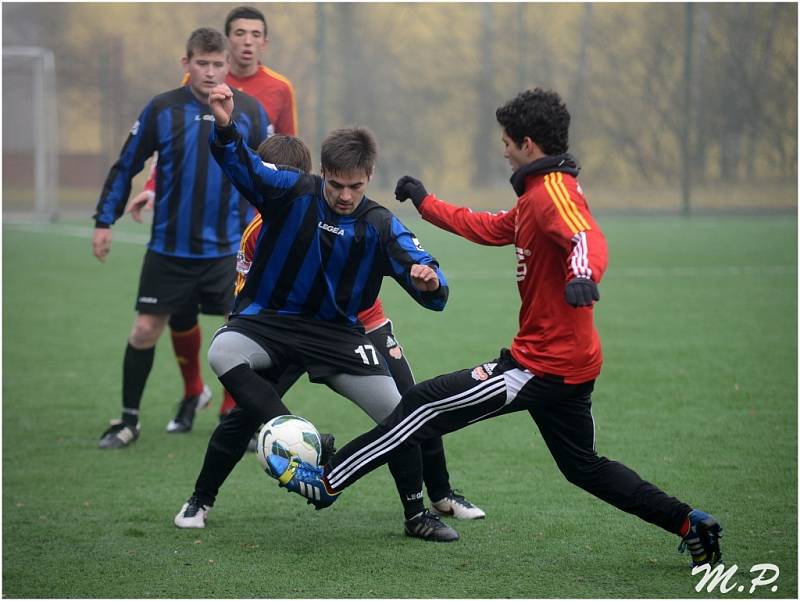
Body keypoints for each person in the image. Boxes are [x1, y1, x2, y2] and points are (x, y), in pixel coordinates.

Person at [267, 88, 724, 568]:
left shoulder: (553, 194)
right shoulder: (535, 195)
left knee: (421, 403)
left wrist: (583, 274)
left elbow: (585, 236)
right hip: (571, 366)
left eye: (506, 141)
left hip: (539, 366)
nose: (501, 149)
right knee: (584, 467)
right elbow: (488, 227)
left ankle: (328, 480)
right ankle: (690, 523)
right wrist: (426, 203)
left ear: (527, 144)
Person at [178, 82, 471, 542]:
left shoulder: (379, 224)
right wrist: (224, 124)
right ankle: (296, 435)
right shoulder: (293, 190)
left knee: (403, 416)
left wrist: (429, 279)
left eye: (355, 186)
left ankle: (418, 515)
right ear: (324, 173)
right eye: (336, 184)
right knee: (222, 352)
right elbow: (244, 165)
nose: (345, 195)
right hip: (271, 324)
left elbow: (426, 269)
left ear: (369, 176)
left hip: (337, 336)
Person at [93, 28, 270, 449]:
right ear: (186, 64)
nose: (210, 72)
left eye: (217, 64)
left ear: (229, 65)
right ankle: (129, 422)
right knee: (143, 331)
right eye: (201, 63)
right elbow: (127, 165)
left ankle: (237, 419)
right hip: (169, 250)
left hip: (228, 251)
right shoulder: (161, 109)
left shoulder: (250, 111)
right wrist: (104, 220)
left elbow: (268, 174)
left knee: (241, 335)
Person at [128, 5, 298, 431]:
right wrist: (150, 189)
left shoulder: (277, 90)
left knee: (237, 321)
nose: (246, 41)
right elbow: (175, 150)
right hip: (182, 230)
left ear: (264, 42)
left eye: (254, 33)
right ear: (224, 43)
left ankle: (230, 409)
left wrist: (286, 211)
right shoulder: (198, 81)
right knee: (179, 316)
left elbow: (286, 153)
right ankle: (191, 393)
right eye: (238, 32)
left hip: (238, 226)